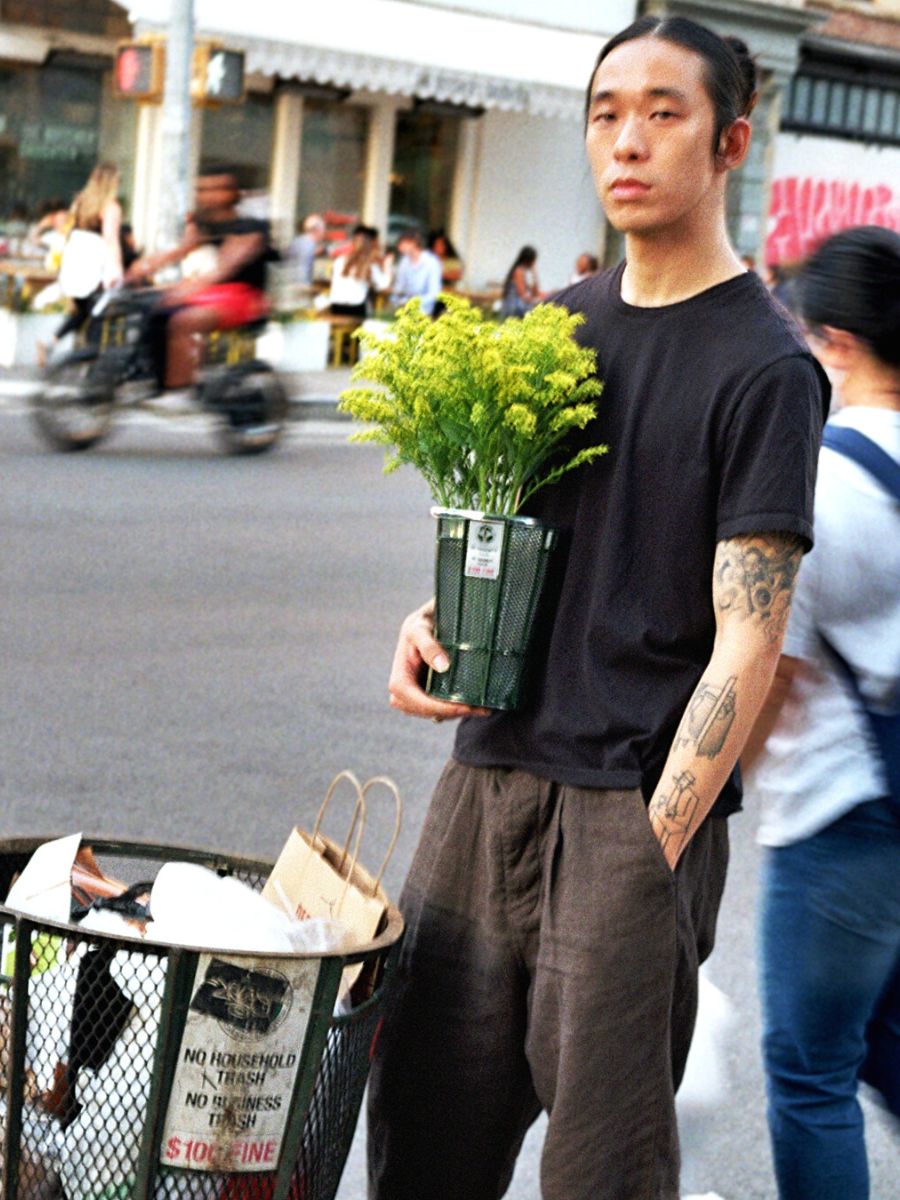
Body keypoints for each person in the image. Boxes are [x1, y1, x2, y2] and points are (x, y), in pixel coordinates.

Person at [367, 15, 829, 1200]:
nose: (626, 139)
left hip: (629, 811)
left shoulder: (766, 366)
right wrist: (430, 629)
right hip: (485, 788)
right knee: (419, 1132)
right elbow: (511, 546)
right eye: (605, 110)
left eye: (662, 112)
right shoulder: (547, 328)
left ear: (730, 140)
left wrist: (655, 840)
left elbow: (751, 638)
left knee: (601, 1170)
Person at [743, 226, 900, 1200]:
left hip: (837, 815)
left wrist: (702, 799)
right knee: (883, 1038)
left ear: (835, 341)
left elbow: (771, 672)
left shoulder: (822, 480)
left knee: (810, 1073)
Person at [126, 167, 272, 400]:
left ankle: (179, 391)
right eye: (201, 189)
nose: (206, 195)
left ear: (232, 194)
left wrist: (185, 290)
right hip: (217, 293)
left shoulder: (249, 227)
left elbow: (225, 268)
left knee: (182, 320)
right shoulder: (205, 224)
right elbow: (180, 250)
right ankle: (156, 380)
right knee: (153, 307)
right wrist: (143, 266)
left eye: (215, 188)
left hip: (247, 298)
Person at [39, 163, 124, 366]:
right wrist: (117, 269)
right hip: (96, 265)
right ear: (112, 183)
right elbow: (111, 238)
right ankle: (62, 362)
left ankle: (50, 343)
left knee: (84, 311)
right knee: (98, 319)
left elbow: (67, 231)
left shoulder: (80, 202)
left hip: (75, 262)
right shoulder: (110, 207)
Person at [326, 224, 389, 318]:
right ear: (371, 245)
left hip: (335, 307)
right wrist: (388, 265)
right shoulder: (371, 265)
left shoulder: (340, 260)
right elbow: (383, 285)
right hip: (356, 310)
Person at [390, 228, 443, 316]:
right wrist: (395, 301)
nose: (399, 247)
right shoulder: (404, 261)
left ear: (414, 243)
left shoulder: (431, 262)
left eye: (403, 244)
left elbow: (434, 292)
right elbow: (399, 286)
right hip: (404, 310)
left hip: (424, 312)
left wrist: (414, 302)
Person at [499, 244, 541, 317]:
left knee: (539, 304)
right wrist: (536, 300)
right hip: (514, 307)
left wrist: (534, 274)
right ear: (529, 260)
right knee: (538, 308)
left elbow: (535, 293)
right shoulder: (519, 271)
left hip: (517, 305)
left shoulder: (522, 271)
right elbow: (523, 296)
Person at [288, 212, 325, 285]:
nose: (323, 232)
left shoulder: (297, 241)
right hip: (301, 286)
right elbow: (303, 272)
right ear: (316, 230)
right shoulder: (309, 245)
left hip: (291, 283)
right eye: (322, 229)